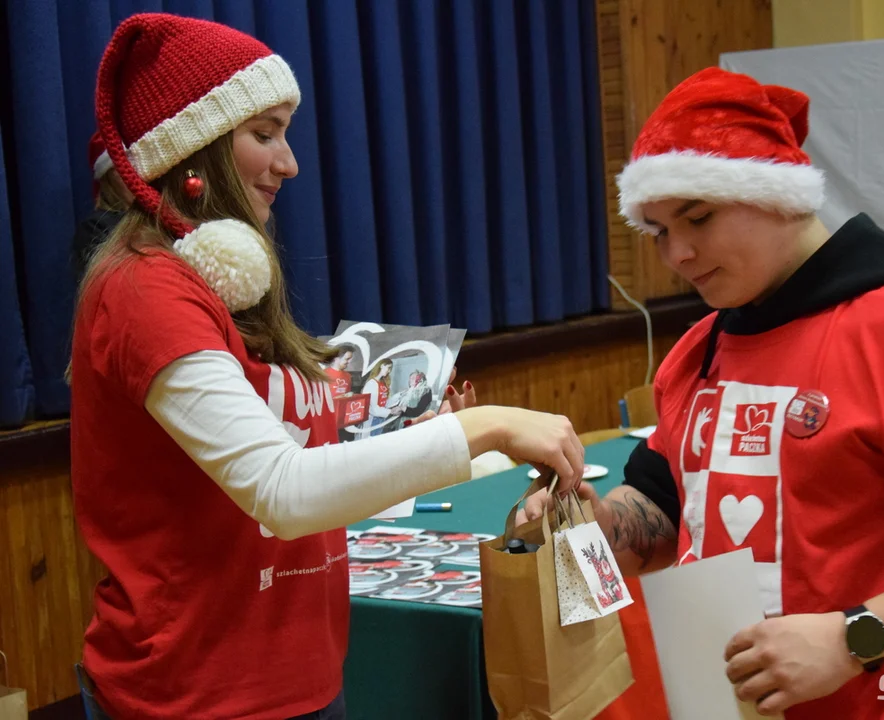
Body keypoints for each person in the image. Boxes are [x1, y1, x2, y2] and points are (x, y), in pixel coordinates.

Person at [518, 67, 884, 719]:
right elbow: (666, 505)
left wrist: (852, 639)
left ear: (779, 195)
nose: (675, 253)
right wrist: (589, 528)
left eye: (697, 216)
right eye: (658, 230)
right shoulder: (700, 346)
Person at [69, 13, 584, 720]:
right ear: (196, 149)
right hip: (199, 697)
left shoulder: (220, 283)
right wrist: (487, 430)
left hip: (296, 680)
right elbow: (283, 492)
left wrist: (411, 437)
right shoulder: (145, 292)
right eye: (264, 133)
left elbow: (289, 463)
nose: (289, 163)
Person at [71, 131, 133, 284]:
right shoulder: (94, 229)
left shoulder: (157, 215)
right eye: (123, 170)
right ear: (109, 178)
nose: (134, 176)